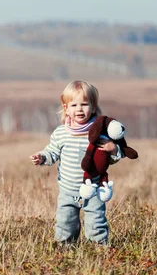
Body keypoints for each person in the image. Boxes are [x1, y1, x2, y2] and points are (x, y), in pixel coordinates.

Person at [30, 80, 122, 245]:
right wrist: (42, 157)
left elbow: (109, 161)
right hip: (67, 190)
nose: (79, 109)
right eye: (74, 105)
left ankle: (99, 249)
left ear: (93, 107)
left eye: (84, 104)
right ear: (66, 108)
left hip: (93, 189)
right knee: (65, 223)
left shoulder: (100, 133)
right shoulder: (61, 133)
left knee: (96, 223)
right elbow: (52, 151)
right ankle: (64, 251)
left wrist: (113, 149)